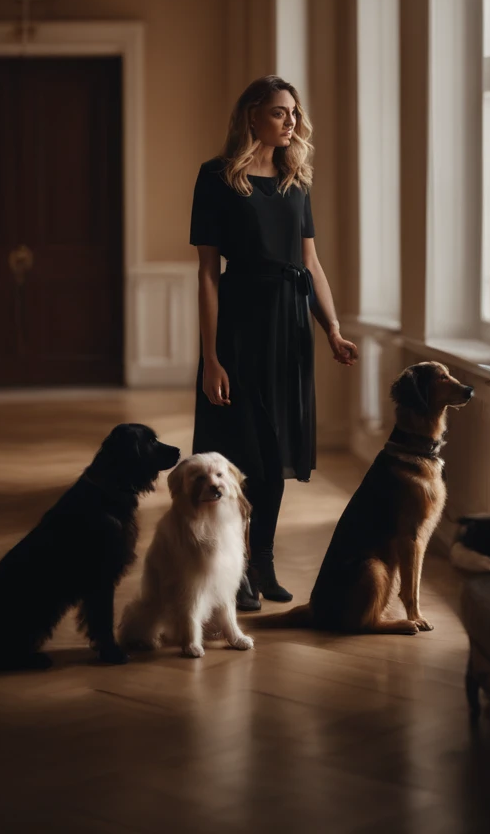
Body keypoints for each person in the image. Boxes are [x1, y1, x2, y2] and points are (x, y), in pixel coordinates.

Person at [189, 75, 358, 611]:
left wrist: (331, 328)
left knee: (276, 452)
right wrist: (211, 357)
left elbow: (311, 265)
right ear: (252, 117)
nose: (291, 121)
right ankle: (234, 567)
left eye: (294, 113)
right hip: (240, 324)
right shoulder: (215, 178)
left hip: (289, 329)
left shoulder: (295, 180)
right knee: (242, 454)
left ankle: (262, 561)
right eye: (280, 112)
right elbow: (208, 274)